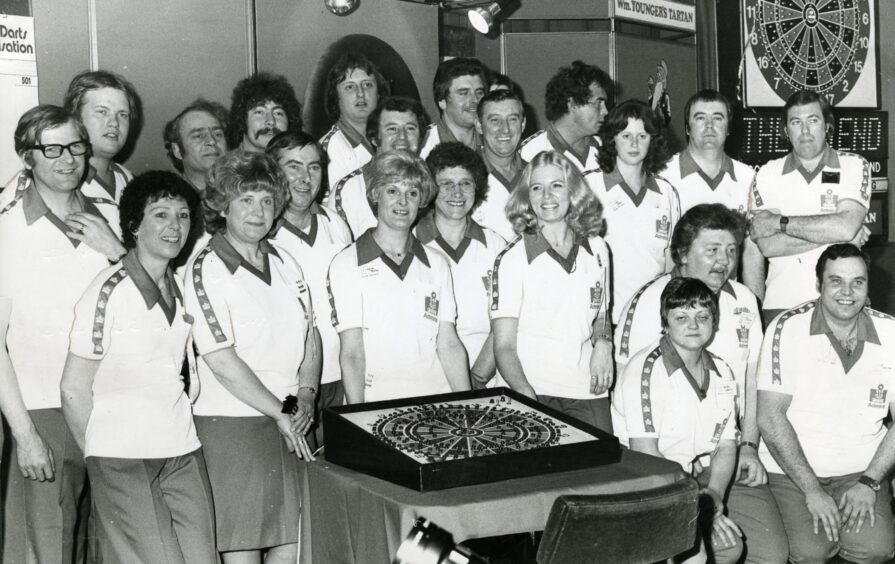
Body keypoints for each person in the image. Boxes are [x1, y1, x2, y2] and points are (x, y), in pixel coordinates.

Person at [615, 204, 788, 564]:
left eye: (730, 251)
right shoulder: (650, 301)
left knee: (767, 554)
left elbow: (751, 379)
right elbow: (630, 404)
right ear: (681, 254)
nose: (723, 261)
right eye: (711, 250)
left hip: (723, 456)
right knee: (701, 549)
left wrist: (749, 446)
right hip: (661, 464)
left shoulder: (743, 300)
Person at [60, 171, 216, 563]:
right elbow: (73, 390)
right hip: (123, 460)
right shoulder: (107, 291)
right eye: (160, 214)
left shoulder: (179, 287)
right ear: (134, 226)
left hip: (182, 450)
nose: (174, 226)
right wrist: (103, 455)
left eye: (182, 215)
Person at [0, 105, 123, 563]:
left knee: (107, 542)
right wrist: (26, 435)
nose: (67, 158)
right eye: (51, 149)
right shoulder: (9, 229)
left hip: (109, 404)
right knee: (47, 547)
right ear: (26, 157)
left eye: (75, 146)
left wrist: (116, 251)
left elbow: (149, 306)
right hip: (45, 412)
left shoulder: (107, 215)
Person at [184, 150, 320, 564]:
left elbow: (310, 337)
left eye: (266, 200)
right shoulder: (205, 267)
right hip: (234, 429)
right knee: (241, 551)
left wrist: (307, 396)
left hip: (292, 422)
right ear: (223, 206)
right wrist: (281, 411)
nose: (258, 211)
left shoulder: (285, 261)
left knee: (294, 546)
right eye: (245, 200)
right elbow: (220, 358)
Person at [758, 243, 895, 564]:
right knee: (810, 551)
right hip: (793, 473)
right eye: (836, 281)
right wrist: (811, 491)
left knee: (874, 549)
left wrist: (870, 481)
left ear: (867, 285)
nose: (847, 292)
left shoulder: (891, 332)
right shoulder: (787, 328)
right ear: (819, 285)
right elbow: (769, 417)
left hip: (860, 472)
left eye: (857, 282)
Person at [612, 277, 743, 564]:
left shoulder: (722, 370)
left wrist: (715, 496)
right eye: (681, 317)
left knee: (730, 548)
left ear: (714, 322)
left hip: (687, 485)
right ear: (665, 323)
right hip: (644, 484)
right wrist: (695, 505)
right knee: (694, 556)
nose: (693, 325)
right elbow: (646, 454)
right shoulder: (645, 369)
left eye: (702, 316)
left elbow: (726, 445)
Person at [327, 150, 470, 403]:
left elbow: (448, 344)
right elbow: (352, 353)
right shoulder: (346, 264)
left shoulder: (436, 263)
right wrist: (357, 416)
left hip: (436, 400)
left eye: (412, 193)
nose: (403, 202)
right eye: (392, 191)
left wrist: (468, 406)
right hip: (377, 402)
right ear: (375, 195)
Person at [491, 150, 613, 431]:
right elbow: (504, 347)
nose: (547, 196)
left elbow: (601, 314)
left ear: (573, 192)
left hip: (585, 387)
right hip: (530, 388)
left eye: (557, 185)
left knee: (603, 469)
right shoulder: (511, 259)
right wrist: (525, 396)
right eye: (537, 188)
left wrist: (604, 344)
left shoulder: (597, 248)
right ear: (526, 196)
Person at [749, 90, 870, 326]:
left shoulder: (854, 165)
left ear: (827, 126)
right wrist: (836, 236)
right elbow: (767, 244)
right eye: (796, 122)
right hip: (783, 302)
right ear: (786, 130)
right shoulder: (767, 173)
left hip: (843, 301)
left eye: (813, 121)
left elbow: (845, 227)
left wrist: (778, 223)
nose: (805, 131)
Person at [267, 131, 352, 446]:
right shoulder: (262, 231)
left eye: (314, 167)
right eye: (294, 166)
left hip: (340, 377)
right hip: (291, 388)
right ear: (273, 171)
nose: (305, 178)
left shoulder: (335, 223)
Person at [658, 90, 766, 298]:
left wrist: (754, 305)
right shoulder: (663, 176)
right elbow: (662, 250)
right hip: (678, 298)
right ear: (687, 128)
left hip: (727, 297)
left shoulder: (748, 178)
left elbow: (752, 250)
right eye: (700, 118)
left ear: (728, 128)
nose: (709, 126)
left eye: (718, 118)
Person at [419, 142, 506, 389]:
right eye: (446, 184)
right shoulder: (412, 241)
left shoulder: (496, 245)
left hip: (489, 375)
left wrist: (477, 377)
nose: (457, 193)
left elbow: (506, 321)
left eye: (465, 183)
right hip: (429, 379)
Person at [589, 99, 680, 323]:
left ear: (652, 140)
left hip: (651, 314)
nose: (634, 144)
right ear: (612, 139)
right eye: (626, 136)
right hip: (604, 316)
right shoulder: (590, 186)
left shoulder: (666, 192)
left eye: (642, 136)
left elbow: (671, 258)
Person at [327, 95, 429, 238]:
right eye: (392, 129)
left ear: (421, 139)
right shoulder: (347, 191)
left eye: (410, 128)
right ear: (374, 138)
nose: (402, 137)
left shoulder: (433, 186)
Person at [63, 70, 140, 203]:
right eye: (102, 112)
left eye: (123, 115)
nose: (115, 123)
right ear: (76, 118)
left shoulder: (129, 180)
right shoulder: (58, 181)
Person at [519, 60, 610, 173]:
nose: (605, 111)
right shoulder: (528, 153)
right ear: (573, 104)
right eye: (598, 102)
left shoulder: (608, 148)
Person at [320, 52, 390, 188]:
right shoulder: (329, 150)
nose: (360, 93)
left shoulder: (386, 139)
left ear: (379, 93)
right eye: (350, 87)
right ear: (336, 97)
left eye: (367, 85)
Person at [474, 89, 526, 241]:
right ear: (478, 125)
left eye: (512, 119)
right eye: (495, 120)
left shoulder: (537, 175)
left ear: (523, 124)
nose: (505, 129)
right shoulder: (465, 176)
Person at [419, 57, 487, 158]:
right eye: (464, 93)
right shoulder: (422, 147)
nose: (475, 100)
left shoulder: (493, 141)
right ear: (442, 101)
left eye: (479, 92)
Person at [163, 98, 229, 193]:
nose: (212, 141)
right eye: (199, 136)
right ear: (177, 150)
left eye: (218, 134)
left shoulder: (245, 190)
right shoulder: (169, 199)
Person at [229, 72, 303, 153]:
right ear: (242, 120)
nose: (271, 121)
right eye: (259, 112)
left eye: (278, 113)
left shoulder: (302, 162)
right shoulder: (226, 165)